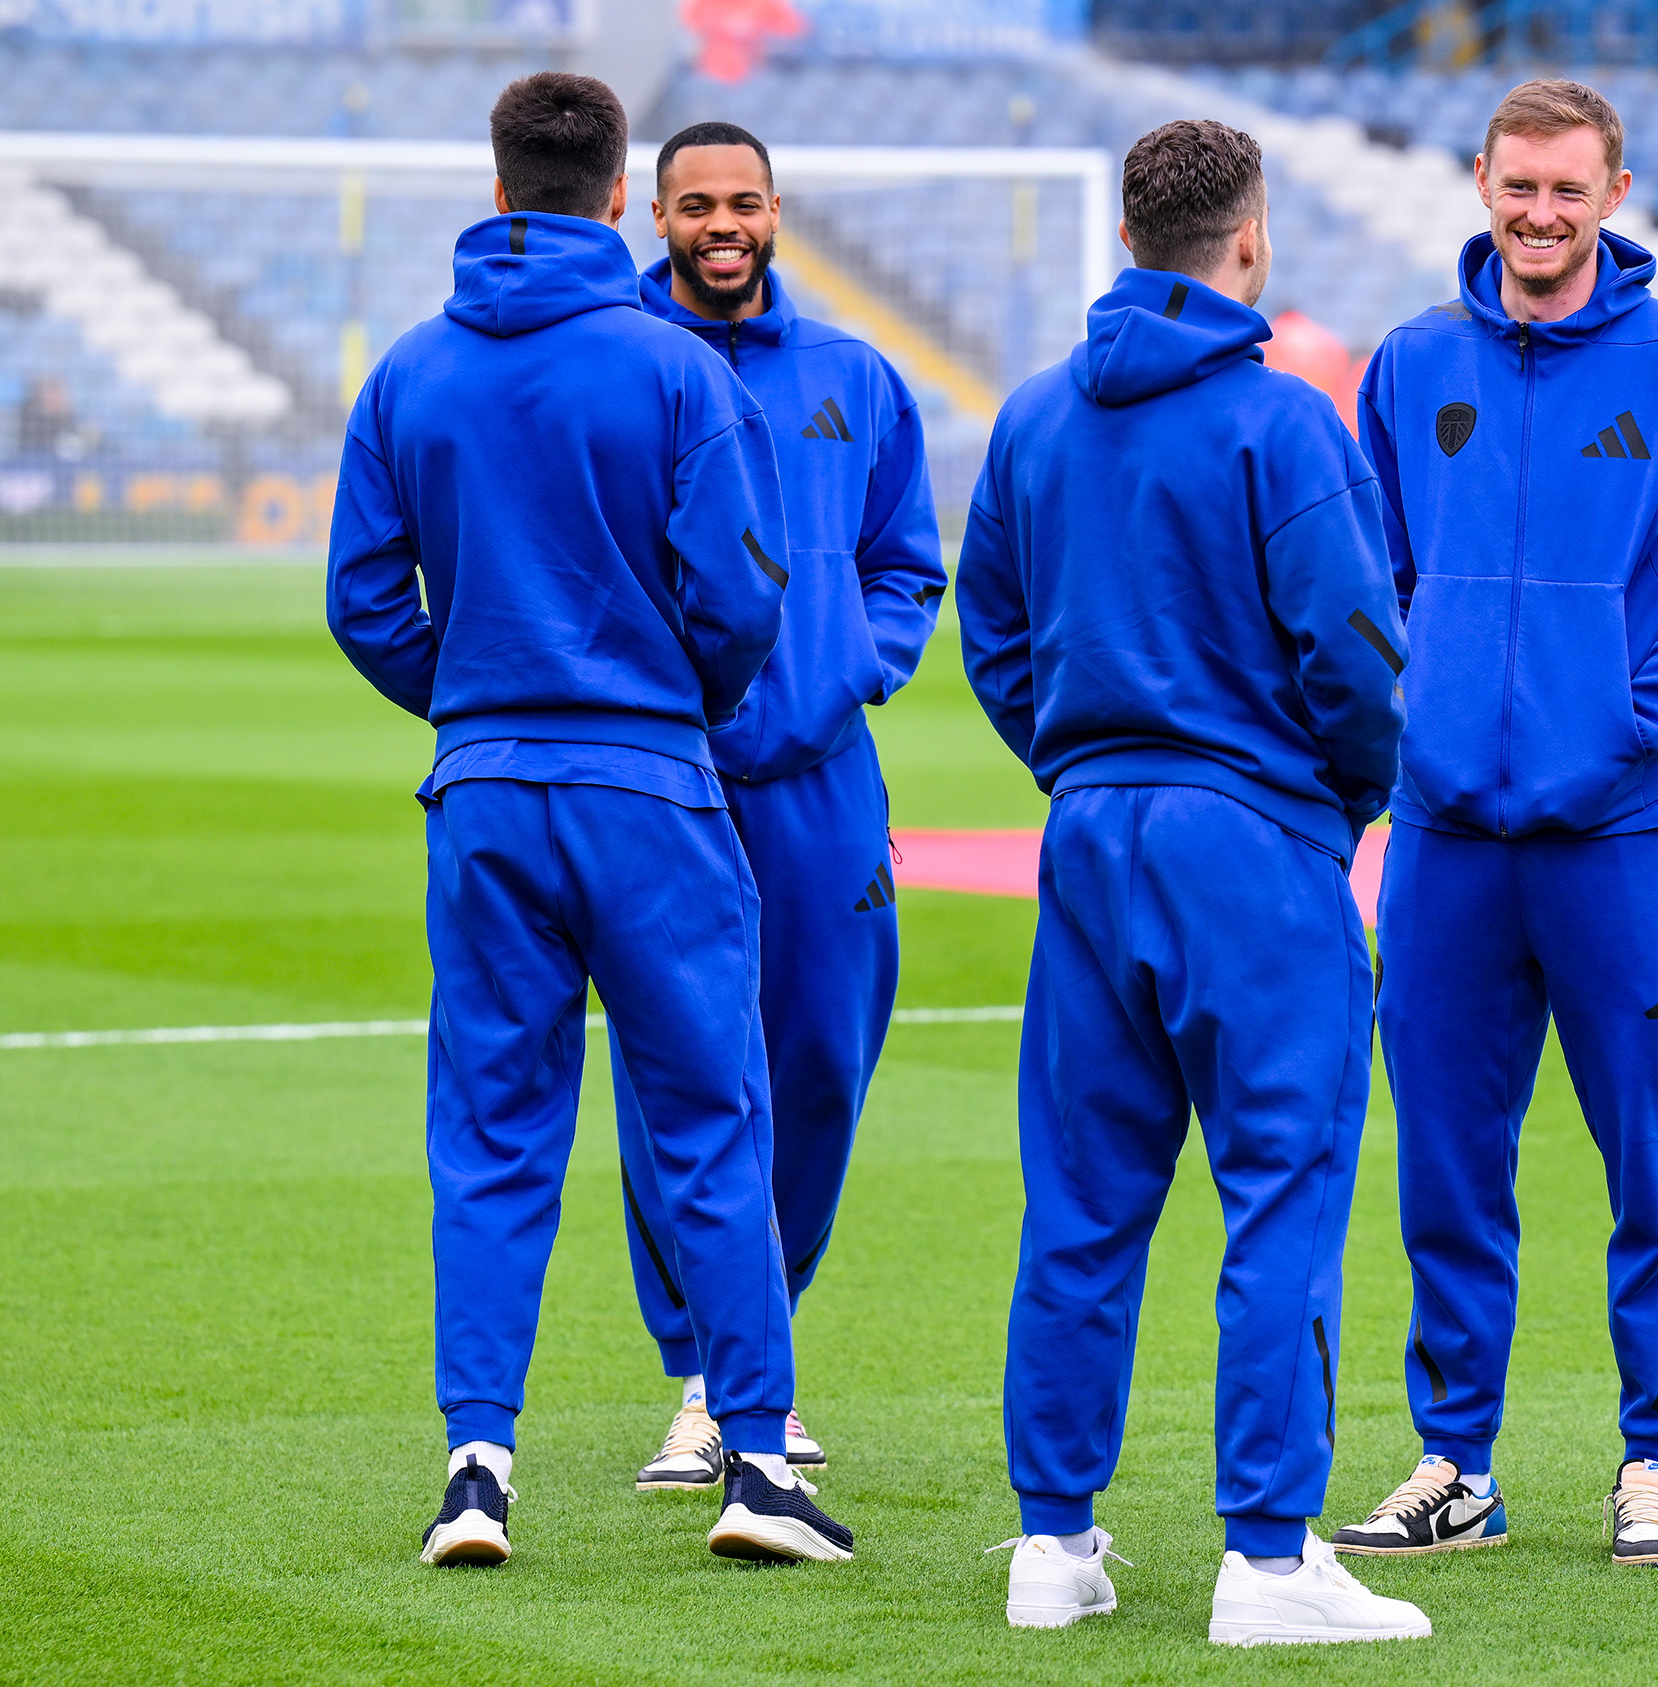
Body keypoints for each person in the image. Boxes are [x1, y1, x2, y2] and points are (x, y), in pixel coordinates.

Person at [325, 71, 856, 1570]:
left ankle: (477, 1470)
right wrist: (657, 697)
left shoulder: (410, 372)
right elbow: (745, 597)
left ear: (498, 192)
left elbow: (362, 602)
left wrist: (485, 695)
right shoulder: (679, 371)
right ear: (620, 195)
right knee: (708, 1119)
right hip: (650, 792)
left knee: (493, 1131)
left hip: (486, 793)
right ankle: (756, 1459)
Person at [958, 117, 1427, 1646]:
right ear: (1252, 237)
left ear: (1125, 235)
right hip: (1252, 842)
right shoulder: (1283, 425)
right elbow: (1358, 654)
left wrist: (1078, 765)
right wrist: (1339, 797)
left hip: (1092, 831)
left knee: (1083, 1197)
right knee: (1283, 1185)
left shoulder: (1035, 418)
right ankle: (1270, 1558)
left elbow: (994, 634)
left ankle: (1054, 1542)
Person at [1332, 77, 1658, 1569]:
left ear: (1615, 194)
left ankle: (1655, 1462)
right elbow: (1368, 576)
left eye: (1567, 189)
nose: (1539, 213)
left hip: (1622, 840)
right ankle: (1457, 1460)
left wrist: (1620, 734)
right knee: (1449, 1165)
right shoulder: (1409, 362)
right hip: (1446, 844)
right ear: (1481, 182)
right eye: (1518, 186)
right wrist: (1420, 725)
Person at [615, 120, 943, 1495]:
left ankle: (759, 1333)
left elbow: (905, 566)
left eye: (743, 202)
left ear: (774, 209)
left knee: (818, 1060)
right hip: (667, 781)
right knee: (677, 1073)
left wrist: (847, 669)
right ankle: (710, 1376)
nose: (722, 225)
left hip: (821, 783)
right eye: (697, 206)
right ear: (660, 215)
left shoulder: (854, 375)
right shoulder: (614, 363)